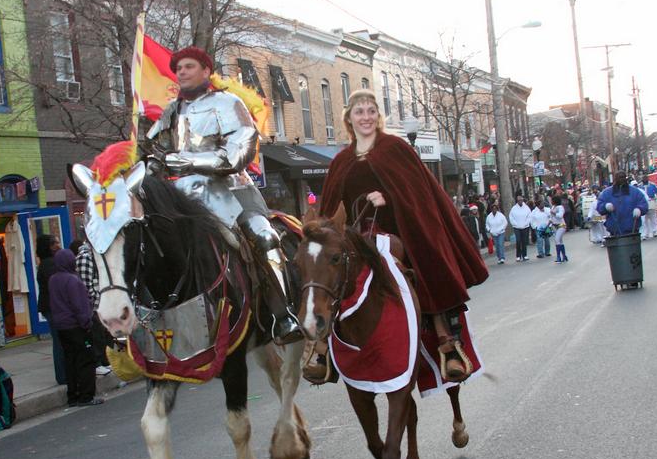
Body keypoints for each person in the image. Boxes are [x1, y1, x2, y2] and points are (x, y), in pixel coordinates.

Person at [318, 89, 488, 371]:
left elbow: (418, 197)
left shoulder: (396, 149)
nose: (366, 117)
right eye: (359, 111)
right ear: (349, 118)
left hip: (400, 230)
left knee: (425, 257)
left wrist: (388, 198)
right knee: (328, 273)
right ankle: (322, 346)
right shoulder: (341, 161)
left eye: (371, 111)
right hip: (359, 238)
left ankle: (446, 339)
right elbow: (332, 208)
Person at [147, 45, 300, 344]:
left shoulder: (228, 103)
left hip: (230, 189)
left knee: (263, 236)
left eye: (189, 66)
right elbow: (155, 150)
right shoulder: (171, 111)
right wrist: (151, 165)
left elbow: (239, 152)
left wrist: (190, 161)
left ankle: (284, 315)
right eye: (178, 68)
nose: (182, 72)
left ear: (206, 71)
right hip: (183, 194)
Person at [48, 249, 103, 407]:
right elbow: (80, 305)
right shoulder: (73, 281)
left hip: (61, 326)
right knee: (86, 360)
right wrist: (87, 323)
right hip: (76, 326)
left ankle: (73, 395)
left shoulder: (53, 279)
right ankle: (86, 395)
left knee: (70, 360)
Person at [71, 239, 112, 377]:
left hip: (101, 303)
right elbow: (85, 285)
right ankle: (98, 363)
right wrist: (92, 304)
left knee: (104, 334)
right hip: (94, 306)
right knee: (96, 335)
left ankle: (105, 361)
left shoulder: (97, 256)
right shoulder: (85, 257)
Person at [35, 234, 65, 385]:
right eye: (56, 243)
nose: (59, 245)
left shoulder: (47, 263)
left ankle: (64, 374)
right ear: (49, 247)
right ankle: (62, 375)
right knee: (59, 341)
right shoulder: (49, 264)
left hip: (51, 306)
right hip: (53, 307)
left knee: (59, 340)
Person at [596, 171, 649, 237]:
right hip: (614, 232)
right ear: (615, 179)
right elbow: (599, 206)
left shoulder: (635, 192)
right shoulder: (607, 193)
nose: (622, 179)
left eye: (623, 177)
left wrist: (639, 209)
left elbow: (644, 204)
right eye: (619, 177)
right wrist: (605, 206)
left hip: (632, 231)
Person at [508, 194, 532, 261]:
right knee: (518, 240)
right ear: (517, 201)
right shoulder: (514, 208)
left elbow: (529, 216)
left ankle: (525, 255)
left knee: (524, 241)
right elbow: (511, 217)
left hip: (525, 226)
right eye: (519, 200)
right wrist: (515, 224)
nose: (520, 201)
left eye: (521, 200)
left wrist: (526, 223)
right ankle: (518, 255)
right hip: (517, 227)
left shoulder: (526, 208)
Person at [549, 194, 569, 263]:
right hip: (554, 225)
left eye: (552, 200)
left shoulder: (560, 207)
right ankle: (564, 256)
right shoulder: (553, 207)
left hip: (561, 225)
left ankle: (558, 257)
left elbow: (560, 216)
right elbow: (551, 217)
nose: (551, 201)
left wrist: (554, 213)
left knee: (557, 239)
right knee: (560, 241)